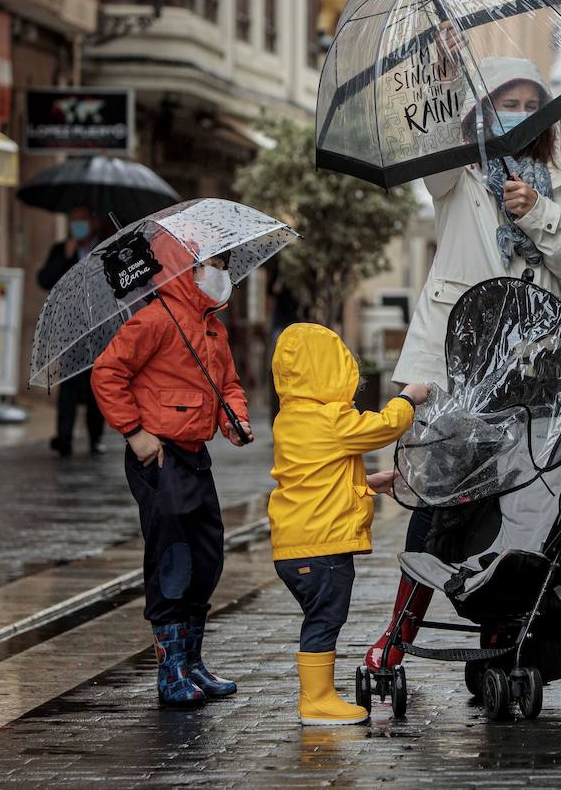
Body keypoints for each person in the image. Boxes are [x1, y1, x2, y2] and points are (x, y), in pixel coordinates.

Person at [365, 40, 561, 672]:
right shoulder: (458, 176)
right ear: (480, 113)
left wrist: (539, 211)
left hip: (528, 372)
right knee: (435, 500)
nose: (519, 113)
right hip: (452, 370)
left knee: (516, 503)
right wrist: (441, 83)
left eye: (530, 105)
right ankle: (397, 639)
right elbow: (430, 155)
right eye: (505, 104)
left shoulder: (555, 185)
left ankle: (503, 635)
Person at [91, 254, 251, 708]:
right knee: (172, 558)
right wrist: (134, 432)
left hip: (196, 456)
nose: (222, 274)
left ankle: (193, 660)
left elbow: (230, 385)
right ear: (188, 268)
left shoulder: (213, 327)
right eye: (212, 265)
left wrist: (234, 419)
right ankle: (171, 669)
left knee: (206, 555)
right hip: (159, 456)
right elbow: (108, 373)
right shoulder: (155, 319)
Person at [268, 323, 429, 724]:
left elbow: (319, 475)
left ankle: (318, 695)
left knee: (320, 618)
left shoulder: (292, 418)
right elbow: (383, 427)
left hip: (297, 546)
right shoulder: (329, 420)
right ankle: (317, 699)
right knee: (325, 619)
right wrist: (408, 398)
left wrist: (369, 483)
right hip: (322, 548)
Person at [39, 205, 105, 457]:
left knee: (96, 386)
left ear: (94, 222)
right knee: (68, 384)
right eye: (73, 219)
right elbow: (44, 279)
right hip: (70, 327)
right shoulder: (61, 249)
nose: (77, 224)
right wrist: (65, 257)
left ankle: (95, 437)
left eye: (82, 219)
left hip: (100, 327)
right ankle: (63, 436)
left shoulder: (104, 250)